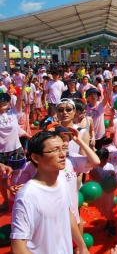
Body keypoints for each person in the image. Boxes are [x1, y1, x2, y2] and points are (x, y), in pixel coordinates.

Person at [10, 131, 89, 253]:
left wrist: (82, 246)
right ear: (36, 158)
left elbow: (67, 213)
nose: (62, 154)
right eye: (55, 150)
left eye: (63, 148)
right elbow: (18, 248)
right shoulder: (27, 196)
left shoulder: (62, 181)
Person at [0, 74, 29, 212]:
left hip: (15, 149)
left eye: (5, 100)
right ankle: (6, 200)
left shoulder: (14, 113)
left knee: (18, 176)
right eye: (0, 101)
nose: (2, 103)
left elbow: (21, 99)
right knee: (2, 179)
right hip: (1, 153)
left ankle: (18, 199)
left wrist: (23, 85)